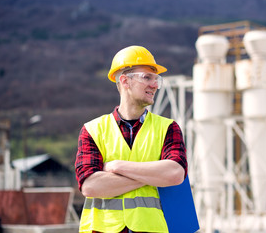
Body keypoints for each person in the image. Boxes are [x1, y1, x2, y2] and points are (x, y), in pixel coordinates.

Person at [75, 46, 187, 233]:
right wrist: (155, 176)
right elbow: (91, 186)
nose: (155, 85)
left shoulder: (168, 128)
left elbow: (175, 174)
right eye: (147, 77)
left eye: (156, 78)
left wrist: (117, 167)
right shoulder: (92, 130)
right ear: (125, 81)